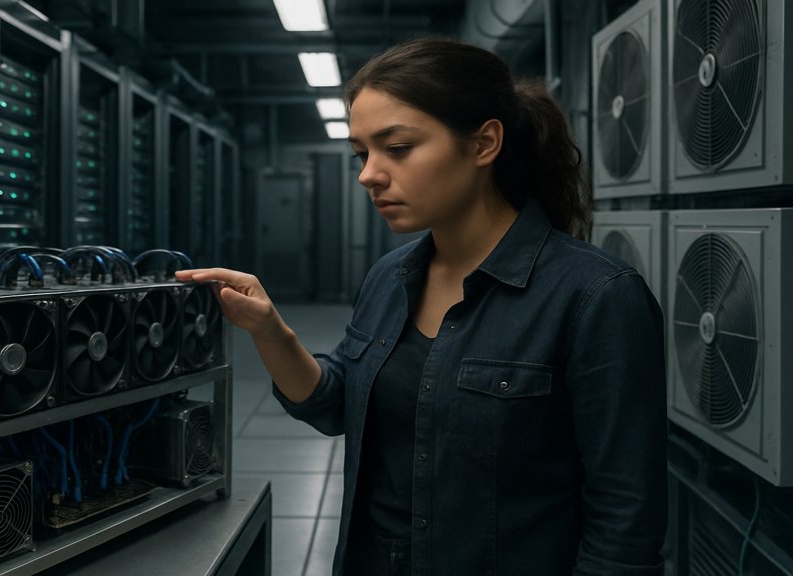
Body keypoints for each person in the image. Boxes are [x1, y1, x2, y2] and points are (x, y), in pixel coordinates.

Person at [176, 37, 666, 576]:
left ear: (484, 144)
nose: (368, 174)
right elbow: (336, 404)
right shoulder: (392, 276)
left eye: (398, 148)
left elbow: (625, 524)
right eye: (362, 154)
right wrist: (269, 330)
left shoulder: (596, 296)